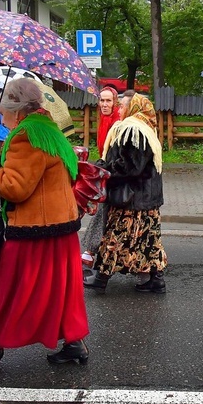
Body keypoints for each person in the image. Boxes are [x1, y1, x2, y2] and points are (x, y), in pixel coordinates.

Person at [0, 78, 89, 365]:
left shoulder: (26, 135)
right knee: (62, 287)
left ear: (17, 111)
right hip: (61, 225)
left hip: (33, 227)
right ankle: (74, 341)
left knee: (7, 285)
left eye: (3, 111)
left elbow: (15, 187)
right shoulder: (50, 129)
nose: (1, 117)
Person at [83, 93, 167, 293]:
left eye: (122, 106)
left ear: (133, 108)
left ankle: (101, 279)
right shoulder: (146, 129)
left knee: (115, 238)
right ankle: (156, 279)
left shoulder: (133, 129)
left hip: (132, 199)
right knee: (148, 242)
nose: (118, 110)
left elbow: (130, 165)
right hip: (146, 198)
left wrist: (105, 169)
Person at [80, 86, 121, 270]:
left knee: (105, 212)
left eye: (108, 101)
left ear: (115, 102)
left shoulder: (118, 122)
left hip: (114, 173)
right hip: (105, 168)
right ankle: (95, 253)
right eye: (102, 101)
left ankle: (92, 252)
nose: (104, 104)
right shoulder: (103, 120)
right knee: (103, 212)